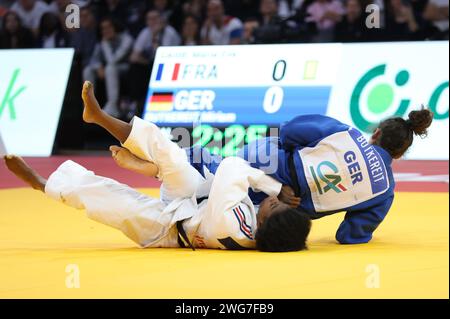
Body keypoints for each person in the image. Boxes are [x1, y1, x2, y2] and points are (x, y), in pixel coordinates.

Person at [3, 81, 311, 252]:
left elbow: (232, 166)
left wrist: (273, 187)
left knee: (104, 199)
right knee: (171, 153)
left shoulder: (237, 226)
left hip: (167, 228)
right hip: (195, 196)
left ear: (267, 226)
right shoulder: (256, 226)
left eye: (276, 207)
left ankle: (41, 183)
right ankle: (98, 116)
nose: (273, 202)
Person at [83, 17, 133, 117]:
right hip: (109, 68)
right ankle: (89, 105)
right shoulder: (102, 41)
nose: (106, 30)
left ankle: (112, 105)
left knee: (110, 68)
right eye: (103, 28)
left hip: (126, 68)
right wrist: (98, 67)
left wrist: (105, 44)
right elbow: (93, 59)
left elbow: (113, 60)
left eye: (108, 27)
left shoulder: (126, 39)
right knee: (88, 70)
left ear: (115, 27)